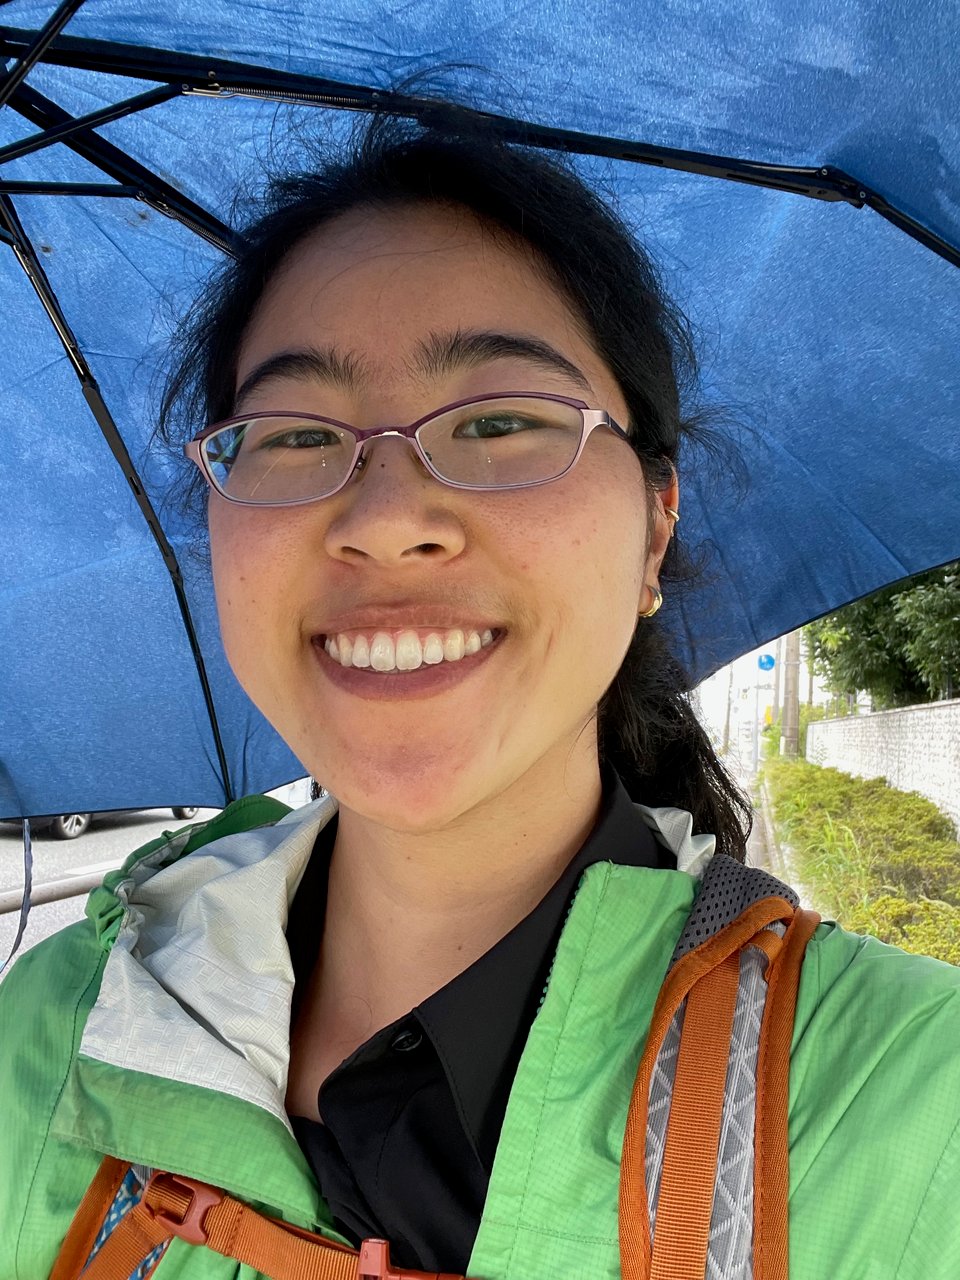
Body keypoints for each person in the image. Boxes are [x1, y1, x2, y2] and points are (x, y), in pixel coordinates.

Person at [1, 111, 958, 1280]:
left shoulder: (910, 1098)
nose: (389, 518)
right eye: (296, 435)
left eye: (502, 421)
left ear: (655, 526)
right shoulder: (57, 1027)